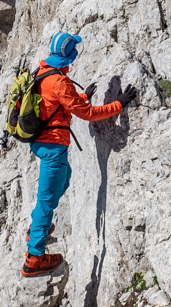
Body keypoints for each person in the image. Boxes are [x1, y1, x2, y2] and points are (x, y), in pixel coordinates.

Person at [23, 32, 137, 277]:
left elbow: (55, 103)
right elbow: (86, 114)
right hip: (53, 147)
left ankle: (36, 228)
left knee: (63, 181)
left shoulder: (42, 72)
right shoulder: (59, 81)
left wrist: (82, 96)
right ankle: (34, 257)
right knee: (45, 201)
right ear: (69, 55)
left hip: (47, 144)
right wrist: (118, 105)